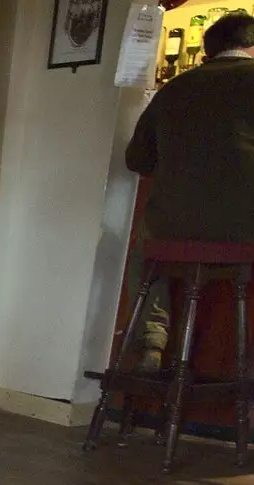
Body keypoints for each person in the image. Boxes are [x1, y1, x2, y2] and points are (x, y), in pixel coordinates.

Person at [123, 12, 254, 370]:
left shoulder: (173, 88)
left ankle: (152, 341)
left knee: (144, 251)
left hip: (172, 230)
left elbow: (137, 160)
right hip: (244, 231)